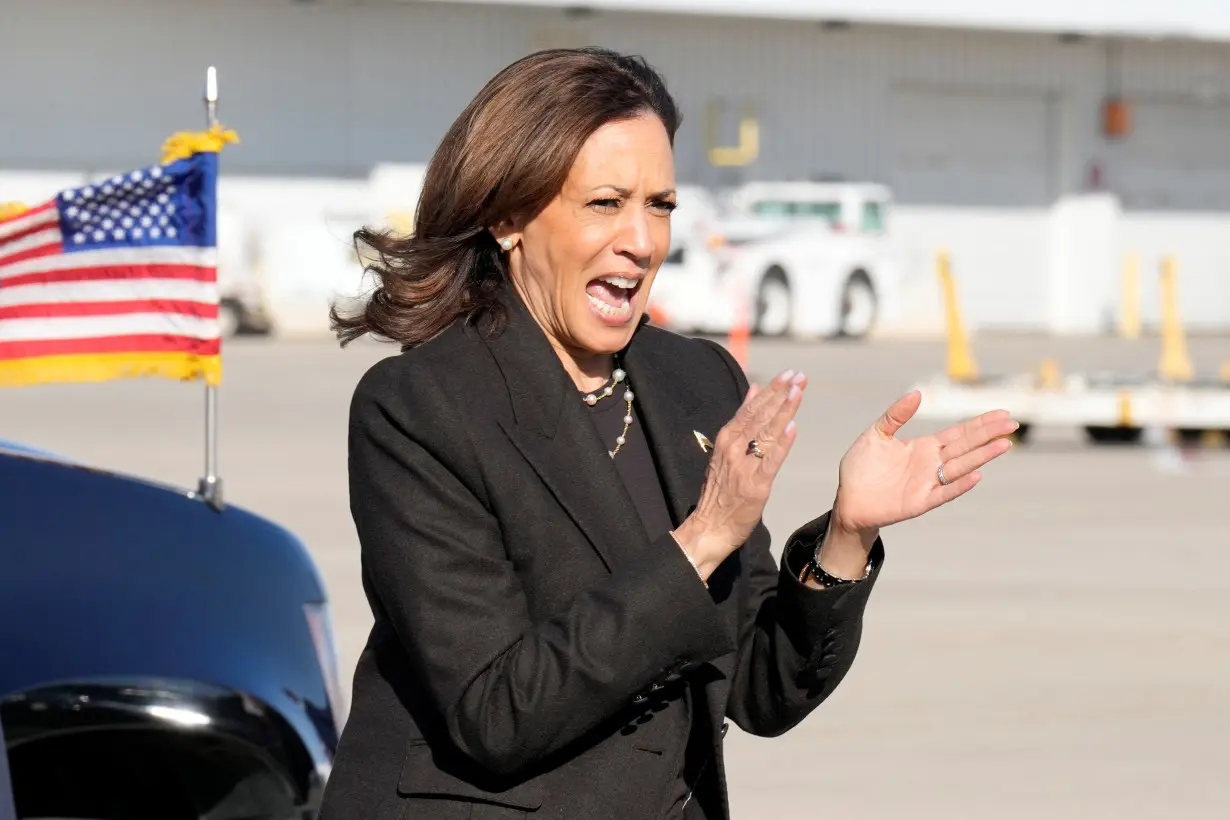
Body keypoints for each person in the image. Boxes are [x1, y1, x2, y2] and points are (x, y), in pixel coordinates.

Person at [319, 47, 1016, 820]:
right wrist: (704, 538)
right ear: (510, 216)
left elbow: (759, 687)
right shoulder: (420, 406)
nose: (642, 240)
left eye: (660, 205)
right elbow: (496, 712)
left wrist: (846, 537)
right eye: (605, 203)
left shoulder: (696, 382)